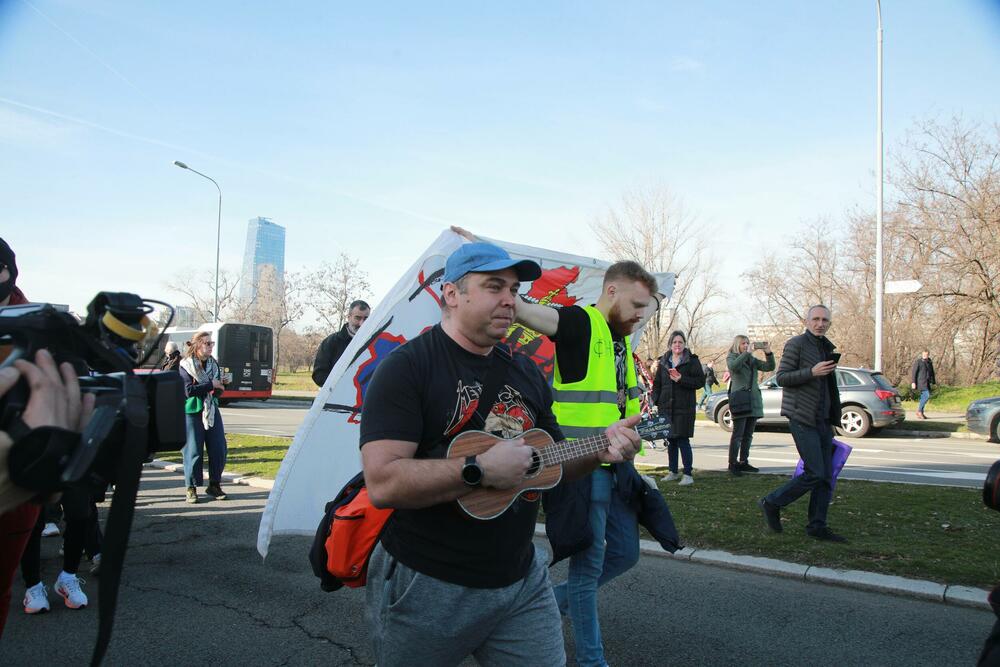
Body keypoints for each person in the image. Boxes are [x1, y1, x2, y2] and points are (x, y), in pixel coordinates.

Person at [360, 242, 642, 666]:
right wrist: (478, 470)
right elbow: (382, 483)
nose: (510, 299)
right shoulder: (407, 368)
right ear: (451, 294)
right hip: (430, 583)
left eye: (513, 288)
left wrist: (605, 446)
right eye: (495, 286)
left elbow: (553, 464)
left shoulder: (526, 371)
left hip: (521, 580)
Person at [515, 259, 658, 667]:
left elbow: (624, 409)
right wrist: (494, 267)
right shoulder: (580, 323)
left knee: (626, 554)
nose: (639, 314)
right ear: (611, 291)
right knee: (588, 569)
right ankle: (593, 661)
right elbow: (527, 311)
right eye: (635, 304)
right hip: (581, 468)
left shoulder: (620, 343)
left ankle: (546, 601)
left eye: (645, 308)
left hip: (619, 471)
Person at [0, 348, 96, 636]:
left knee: (80, 513)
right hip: (32, 445)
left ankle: (67, 577)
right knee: (34, 520)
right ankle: (32, 586)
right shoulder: (24, 361)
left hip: (71, 446)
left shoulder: (78, 359)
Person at [759, 305, 847, 543]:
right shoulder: (796, 344)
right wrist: (811, 371)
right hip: (801, 417)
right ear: (807, 321)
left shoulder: (826, 346)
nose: (820, 323)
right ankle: (772, 502)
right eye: (816, 319)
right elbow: (783, 377)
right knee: (815, 472)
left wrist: (832, 415)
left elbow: (827, 387)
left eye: (825, 320)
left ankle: (817, 526)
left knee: (826, 476)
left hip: (822, 419)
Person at [179, 331, 228, 504]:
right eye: (207, 343)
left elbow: (218, 389)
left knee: (219, 448)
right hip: (193, 411)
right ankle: (191, 488)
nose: (210, 346)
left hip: (211, 409)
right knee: (193, 450)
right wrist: (210, 385)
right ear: (197, 345)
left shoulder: (213, 364)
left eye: (211, 343)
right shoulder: (186, 365)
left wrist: (221, 386)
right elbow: (188, 391)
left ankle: (214, 485)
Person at [652, 331, 706, 486]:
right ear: (670, 344)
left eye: (680, 342)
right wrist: (655, 400)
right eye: (675, 342)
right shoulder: (663, 362)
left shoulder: (692, 361)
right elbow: (657, 384)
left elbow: (699, 382)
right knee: (671, 441)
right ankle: (673, 471)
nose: (677, 345)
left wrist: (682, 379)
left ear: (684, 344)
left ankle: (688, 474)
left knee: (683, 440)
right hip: (666, 407)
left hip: (684, 407)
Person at [726, 336, 775, 474]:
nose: (746, 345)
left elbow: (769, 367)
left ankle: (743, 461)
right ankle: (733, 463)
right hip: (740, 401)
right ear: (737, 345)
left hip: (753, 401)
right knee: (738, 435)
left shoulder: (752, 360)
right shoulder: (732, 357)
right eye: (743, 343)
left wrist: (768, 352)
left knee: (748, 435)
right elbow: (734, 367)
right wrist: (747, 352)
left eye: (748, 343)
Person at [312, 300, 370, 387]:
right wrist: (343, 386)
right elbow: (319, 375)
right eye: (357, 318)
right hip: (337, 398)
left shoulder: (375, 341)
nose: (362, 323)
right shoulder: (331, 342)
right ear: (349, 317)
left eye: (366, 318)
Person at [910, 349, 936, 419]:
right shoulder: (918, 362)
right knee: (926, 395)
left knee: (923, 397)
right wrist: (913, 382)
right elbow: (914, 372)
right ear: (922, 354)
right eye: (924, 355)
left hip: (927, 382)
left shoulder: (929, 362)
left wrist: (933, 382)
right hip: (921, 382)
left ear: (928, 355)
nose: (925, 356)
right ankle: (919, 411)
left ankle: (921, 412)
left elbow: (932, 372)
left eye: (926, 355)